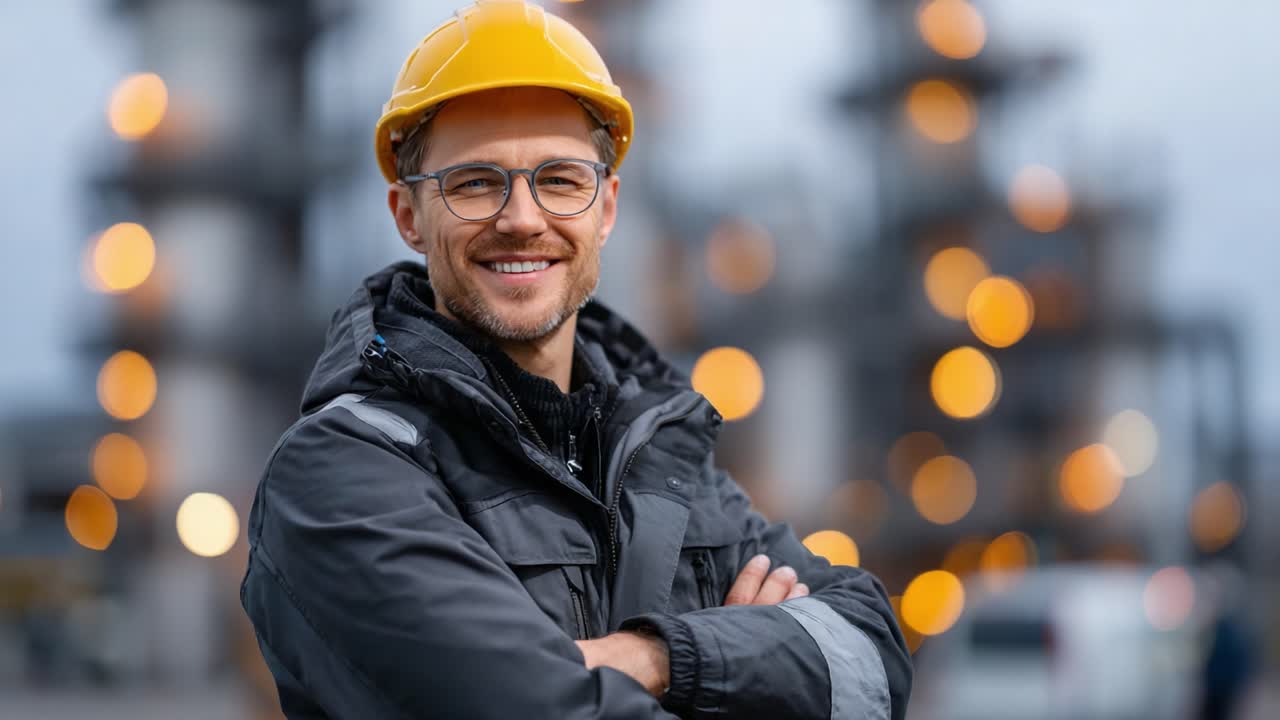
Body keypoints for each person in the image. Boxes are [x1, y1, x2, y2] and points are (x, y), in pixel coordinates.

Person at [240, 1, 911, 717]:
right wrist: (745, 667)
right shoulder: (342, 473)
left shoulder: (664, 461)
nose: (523, 219)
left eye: (560, 179)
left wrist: (657, 657)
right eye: (473, 182)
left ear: (607, 208)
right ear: (408, 215)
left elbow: (872, 660)